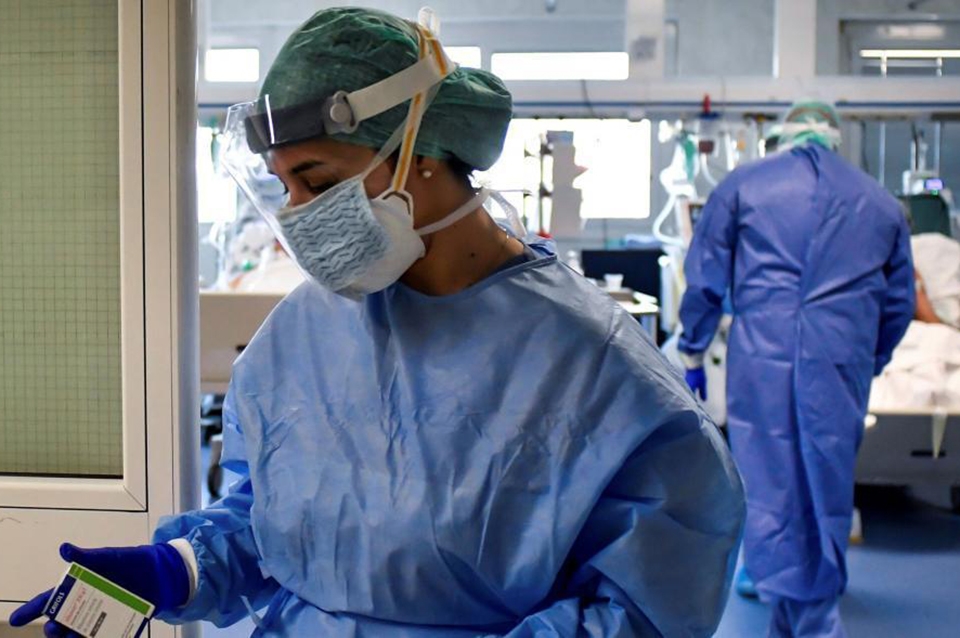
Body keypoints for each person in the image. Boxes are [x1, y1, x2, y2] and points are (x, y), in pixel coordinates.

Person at [10, 8, 744, 637]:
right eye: (283, 186)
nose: (298, 214)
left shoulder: (593, 365)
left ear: (420, 154)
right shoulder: (301, 334)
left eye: (318, 181)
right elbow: (273, 522)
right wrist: (174, 569)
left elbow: (648, 605)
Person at [678, 100, 915, 637]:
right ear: (834, 135)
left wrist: (693, 351)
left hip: (763, 360)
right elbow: (898, 305)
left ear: (784, 134)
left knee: (770, 486)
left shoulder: (744, 187)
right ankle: (803, 612)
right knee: (826, 486)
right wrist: (866, 359)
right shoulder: (878, 202)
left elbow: (706, 278)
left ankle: (803, 612)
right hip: (840, 361)